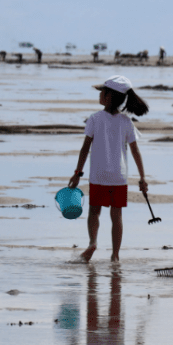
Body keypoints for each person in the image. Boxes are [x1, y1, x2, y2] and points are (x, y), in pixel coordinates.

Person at [68, 76, 149, 263]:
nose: (99, 95)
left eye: (101, 92)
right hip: (119, 177)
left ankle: (93, 243)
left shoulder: (94, 119)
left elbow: (85, 148)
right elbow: (135, 151)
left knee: (94, 212)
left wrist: (77, 174)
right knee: (117, 216)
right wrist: (142, 177)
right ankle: (115, 255)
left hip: (98, 175)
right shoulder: (126, 122)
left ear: (108, 96)